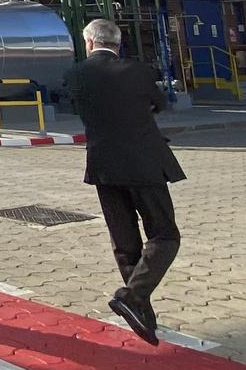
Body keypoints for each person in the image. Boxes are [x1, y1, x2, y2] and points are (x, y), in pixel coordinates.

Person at [68, 18, 184, 344]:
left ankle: (141, 312)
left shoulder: (75, 75)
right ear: (118, 44)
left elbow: (83, 107)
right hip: (145, 163)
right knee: (164, 234)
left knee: (125, 242)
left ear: (89, 43)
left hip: (104, 166)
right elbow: (161, 104)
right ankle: (133, 297)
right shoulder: (139, 71)